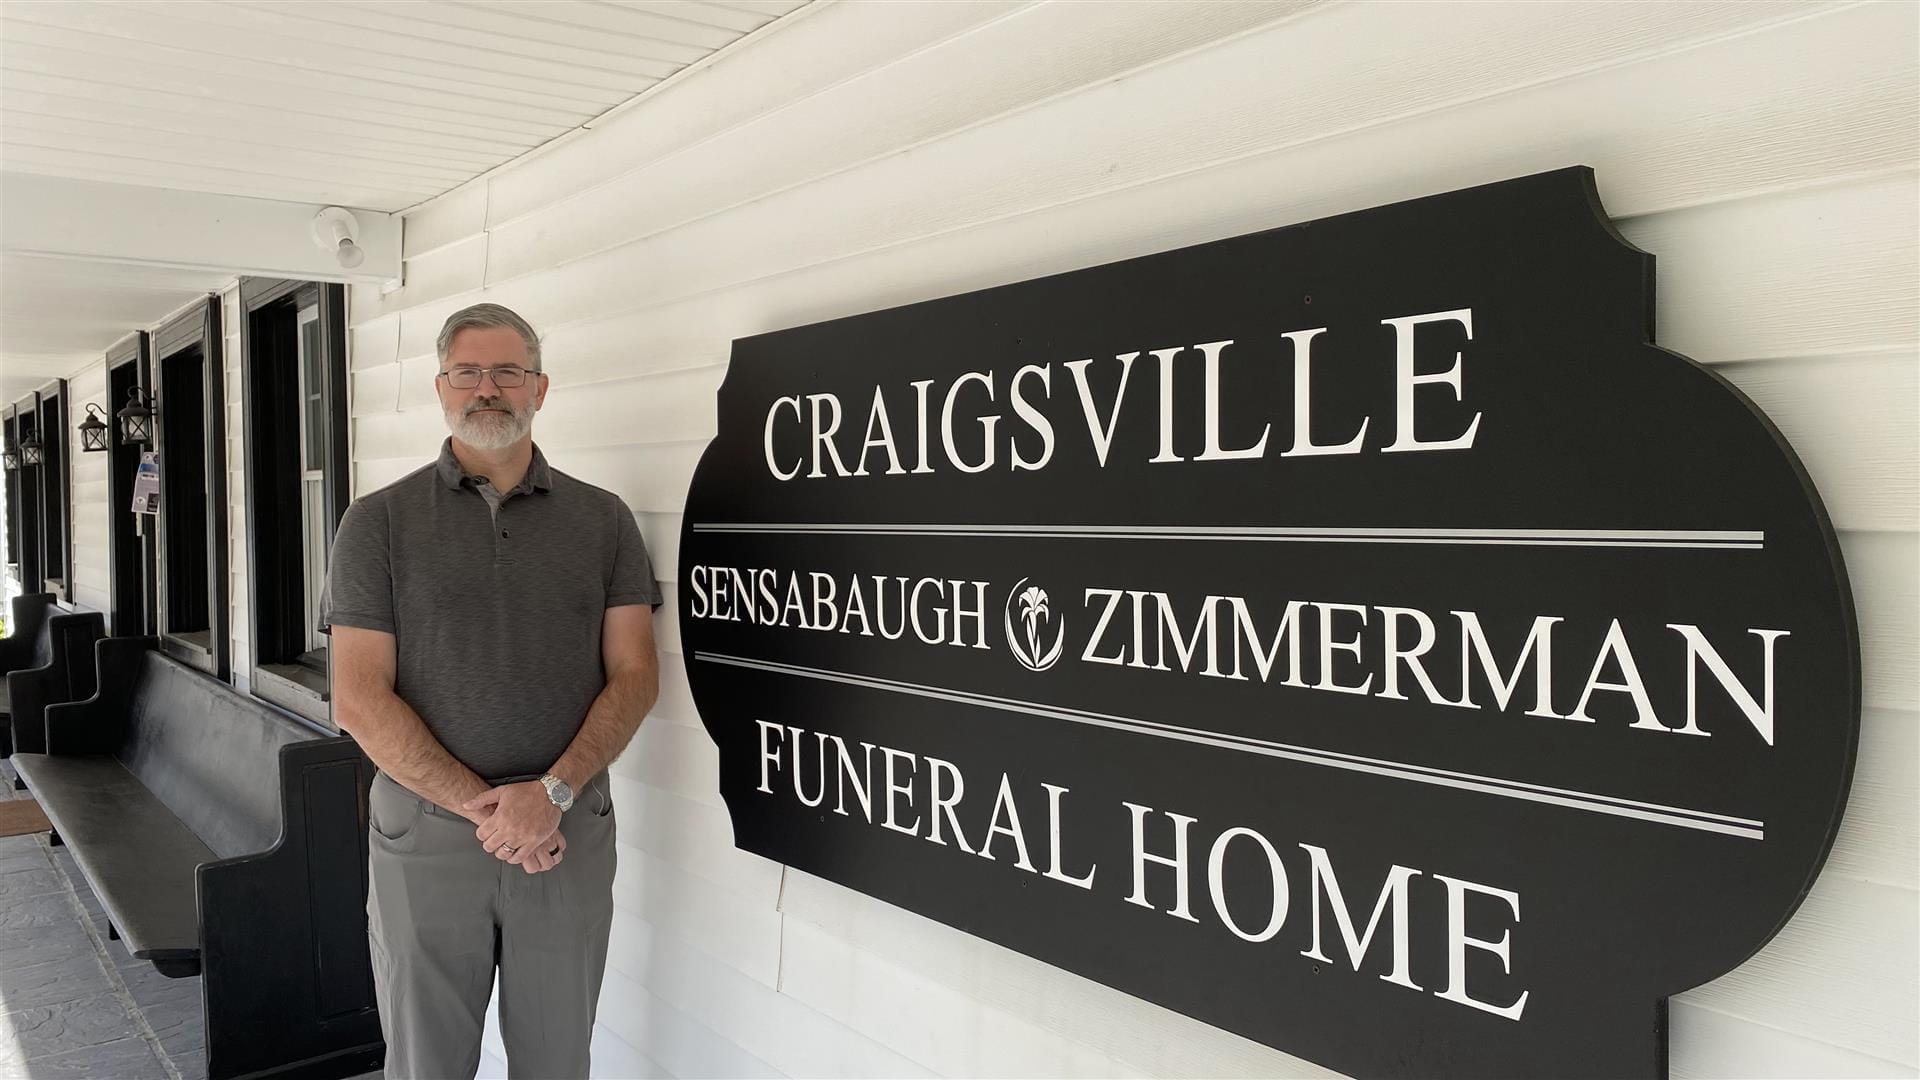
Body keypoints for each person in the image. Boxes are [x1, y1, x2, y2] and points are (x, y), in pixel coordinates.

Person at [319, 302, 662, 1079]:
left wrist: (552, 794)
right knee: (426, 1062)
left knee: (555, 1061)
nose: (489, 388)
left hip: (565, 835)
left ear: (541, 388)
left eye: (508, 371)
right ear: (441, 387)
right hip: (427, 840)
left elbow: (635, 674)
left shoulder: (603, 521)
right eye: (469, 372)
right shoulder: (376, 524)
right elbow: (359, 699)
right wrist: (494, 808)